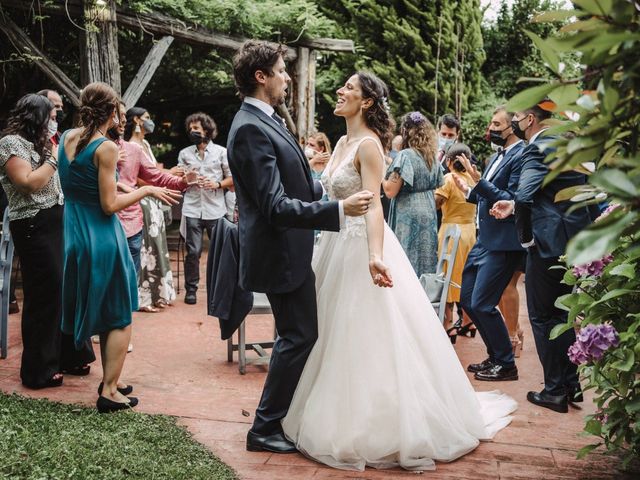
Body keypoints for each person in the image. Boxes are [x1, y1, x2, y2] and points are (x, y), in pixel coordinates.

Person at [281, 71, 517, 472]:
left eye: (349, 89)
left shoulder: (371, 146)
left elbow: (374, 204)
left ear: (367, 102)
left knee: (364, 332)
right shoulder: (341, 141)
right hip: (333, 245)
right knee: (328, 329)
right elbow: (326, 192)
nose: (340, 92)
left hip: (361, 246)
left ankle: (375, 423)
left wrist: (375, 256)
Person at [226, 40, 374, 454]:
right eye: (281, 70)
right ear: (261, 77)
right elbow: (273, 205)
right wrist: (338, 209)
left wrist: (324, 185)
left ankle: (280, 419)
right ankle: (264, 427)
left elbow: (297, 181)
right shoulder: (250, 128)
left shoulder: (267, 120)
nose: (287, 78)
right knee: (299, 335)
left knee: (300, 334)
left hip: (289, 249)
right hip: (278, 252)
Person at [58, 82, 181, 413]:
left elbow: (91, 182)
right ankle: (110, 390)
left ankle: (111, 377)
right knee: (119, 312)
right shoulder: (107, 147)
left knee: (104, 305)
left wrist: (135, 184)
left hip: (74, 233)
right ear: (111, 112)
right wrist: (146, 192)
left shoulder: (68, 138)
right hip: (102, 236)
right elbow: (109, 203)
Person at [491, 101, 595, 412]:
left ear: (530, 119)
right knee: (562, 316)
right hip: (571, 242)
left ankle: (553, 391)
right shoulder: (569, 144)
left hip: (546, 244)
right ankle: (571, 385)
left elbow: (524, 196)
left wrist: (526, 239)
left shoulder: (536, 149)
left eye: (518, 117)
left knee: (542, 316)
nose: (516, 122)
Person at [0, 93, 93, 388]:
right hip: (32, 225)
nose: (56, 122)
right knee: (44, 295)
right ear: (36, 116)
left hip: (57, 220)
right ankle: (38, 369)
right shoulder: (10, 143)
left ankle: (69, 356)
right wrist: (56, 157)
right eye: (52, 117)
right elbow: (28, 183)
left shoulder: (42, 144)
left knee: (65, 290)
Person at [451, 106, 526, 382]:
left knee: (482, 303)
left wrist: (478, 181)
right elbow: (487, 194)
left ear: (511, 127)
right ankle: (496, 356)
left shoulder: (520, 155)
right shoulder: (496, 155)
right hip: (484, 239)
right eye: (491, 123)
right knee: (468, 300)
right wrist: (471, 191)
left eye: (497, 124)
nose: (491, 129)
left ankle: (506, 363)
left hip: (503, 243)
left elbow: (511, 197)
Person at [125, 106, 182, 310]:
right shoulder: (131, 145)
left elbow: (152, 170)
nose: (151, 121)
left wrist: (170, 173)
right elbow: (138, 177)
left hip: (154, 198)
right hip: (143, 199)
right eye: (147, 117)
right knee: (145, 249)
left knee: (156, 246)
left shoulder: (145, 143)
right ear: (137, 121)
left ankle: (157, 294)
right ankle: (143, 298)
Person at [177, 112, 233, 305]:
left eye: (196, 129)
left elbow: (232, 179)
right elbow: (178, 181)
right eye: (190, 129)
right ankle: (191, 289)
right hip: (192, 208)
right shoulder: (184, 154)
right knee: (193, 251)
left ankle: (217, 289)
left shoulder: (222, 152)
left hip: (216, 208)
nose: (193, 132)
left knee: (219, 252)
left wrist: (216, 184)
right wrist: (185, 178)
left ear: (207, 131)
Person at [383, 111, 443, 275]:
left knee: (405, 258)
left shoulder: (405, 155)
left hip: (408, 212)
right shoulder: (432, 156)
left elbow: (389, 190)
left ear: (406, 131)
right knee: (425, 258)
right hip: (428, 212)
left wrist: (380, 171)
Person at [434, 143, 477, 340]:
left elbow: (435, 203)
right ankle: (468, 321)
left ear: (449, 161)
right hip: (470, 233)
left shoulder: (449, 179)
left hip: (451, 232)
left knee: (447, 275)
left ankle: (447, 322)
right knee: (467, 277)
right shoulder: (473, 179)